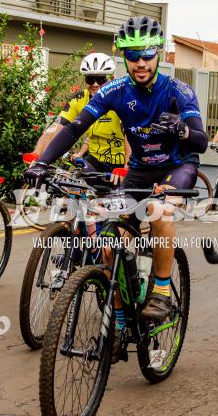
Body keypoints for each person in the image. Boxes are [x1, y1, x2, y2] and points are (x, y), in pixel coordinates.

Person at [25, 16, 207, 326]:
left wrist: (182, 131)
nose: (140, 62)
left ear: (158, 54)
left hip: (177, 168)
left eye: (147, 54)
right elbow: (75, 128)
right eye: (132, 55)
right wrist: (42, 161)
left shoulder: (179, 91)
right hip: (139, 172)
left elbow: (201, 142)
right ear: (123, 56)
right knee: (109, 247)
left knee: (157, 210)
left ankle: (161, 292)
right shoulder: (116, 90)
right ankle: (121, 322)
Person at [32, 53, 129, 181]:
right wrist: (36, 155)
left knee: (119, 198)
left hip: (123, 161)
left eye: (100, 79)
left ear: (111, 78)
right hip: (95, 159)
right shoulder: (79, 99)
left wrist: (127, 168)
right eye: (90, 79)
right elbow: (56, 127)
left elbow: (131, 136)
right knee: (73, 186)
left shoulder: (121, 97)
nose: (95, 84)